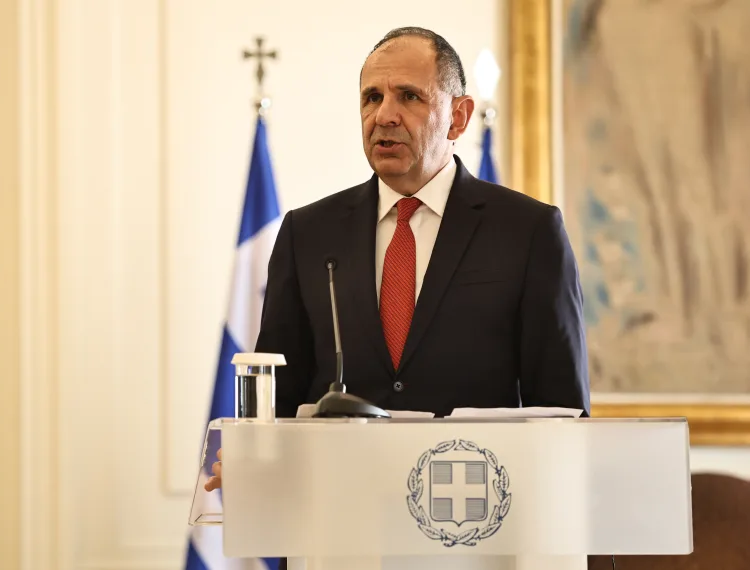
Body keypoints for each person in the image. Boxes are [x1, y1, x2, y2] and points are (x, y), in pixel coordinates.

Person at [205, 26, 590, 494]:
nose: (384, 115)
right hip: (339, 511)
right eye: (372, 98)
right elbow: (279, 395)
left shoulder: (528, 232)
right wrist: (253, 459)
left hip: (475, 511)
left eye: (409, 96)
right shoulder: (307, 233)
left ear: (458, 118)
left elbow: (561, 410)